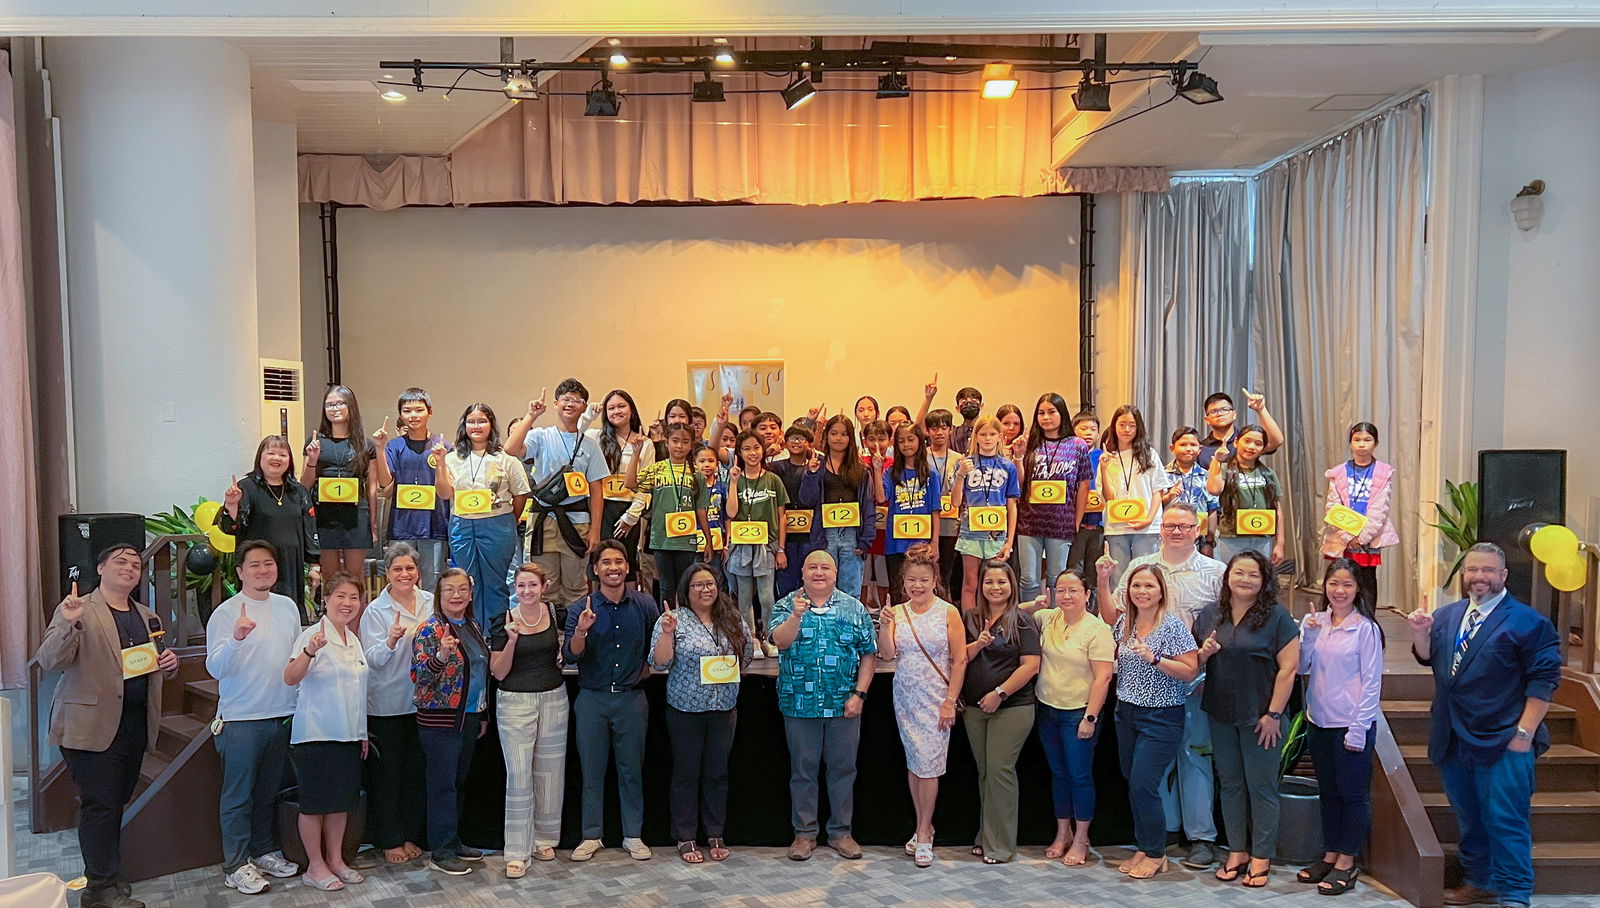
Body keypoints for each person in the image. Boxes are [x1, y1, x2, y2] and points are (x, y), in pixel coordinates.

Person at [1408, 543, 1561, 908]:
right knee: (1469, 817)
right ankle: (1479, 881)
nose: (1479, 577)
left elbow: (1543, 681)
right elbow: (1433, 661)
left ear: (1503, 575)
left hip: (1505, 739)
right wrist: (1419, 634)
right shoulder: (1447, 615)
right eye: (1472, 570)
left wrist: (1524, 734)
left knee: (1506, 820)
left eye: (1488, 571)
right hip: (1453, 737)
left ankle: (1514, 893)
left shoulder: (1529, 622)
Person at [38, 544, 180, 908]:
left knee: (115, 802)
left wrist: (169, 664)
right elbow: (50, 659)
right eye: (121, 562)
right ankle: (98, 890)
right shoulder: (79, 608)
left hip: (132, 725)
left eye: (136, 564)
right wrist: (68, 622)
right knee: (100, 805)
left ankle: (109, 876)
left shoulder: (148, 616)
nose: (130, 568)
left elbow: (149, 667)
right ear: (100, 568)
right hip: (88, 725)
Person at [1095, 501, 1225, 870]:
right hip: (1136, 698)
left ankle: (1200, 837)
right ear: (1160, 528)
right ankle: (1159, 837)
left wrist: (1202, 668)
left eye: (1184, 526)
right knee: (1145, 777)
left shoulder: (1215, 572)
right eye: (1170, 525)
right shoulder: (1140, 566)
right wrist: (1104, 581)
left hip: (1193, 681)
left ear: (1198, 529)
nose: (1177, 531)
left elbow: (1225, 626)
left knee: (1194, 758)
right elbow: (1113, 615)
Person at [1193, 551, 1299, 887]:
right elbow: (1195, 660)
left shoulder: (1278, 617)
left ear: (1264, 580)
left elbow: (1289, 669)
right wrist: (1203, 654)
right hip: (1220, 711)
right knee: (1231, 784)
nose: (1245, 580)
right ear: (1227, 577)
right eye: (1239, 573)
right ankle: (1236, 850)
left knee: (1262, 786)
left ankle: (1262, 855)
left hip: (1261, 717)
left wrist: (1274, 714)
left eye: (1254, 575)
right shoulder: (1211, 613)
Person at [204, 540, 302, 893]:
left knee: (267, 793)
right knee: (238, 796)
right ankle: (235, 864)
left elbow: (293, 658)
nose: (263, 570)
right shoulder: (227, 613)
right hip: (241, 720)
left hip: (281, 714)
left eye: (269, 563)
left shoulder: (288, 606)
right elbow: (215, 667)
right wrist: (236, 639)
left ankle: (263, 852)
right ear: (241, 572)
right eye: (255, 565)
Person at [769, 550, 878, 861]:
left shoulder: (853, 608)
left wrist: (859, 694)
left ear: (835, 573)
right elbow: (780, 641)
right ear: (802, 573)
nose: (819, 572)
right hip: (799, 705)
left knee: (843, 770)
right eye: (813, 567)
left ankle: (841, 833)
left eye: (825, 567)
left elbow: (869, 654)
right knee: (802, 772)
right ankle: (804, 834)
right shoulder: (785, 604)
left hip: (844, 705)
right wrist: (796, 616)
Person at [650, 565, 755, 864]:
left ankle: (715, 833)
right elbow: (659, 663)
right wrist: (668, 634)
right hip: (686, 709)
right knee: (686, 773)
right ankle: (685, 837)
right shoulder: (673, 620)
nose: (705, 589)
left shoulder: (732, 617)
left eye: (709, 583)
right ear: (687, 590)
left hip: (723, 708)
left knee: (717, 773)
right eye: (697, 585)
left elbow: (745, 657)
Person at [564, 540, 660, 862]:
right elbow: (571, 655)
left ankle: (633, 835)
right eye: (606, 562)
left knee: (631, 770)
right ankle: (592, 835)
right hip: (591, 699)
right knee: (591, 771)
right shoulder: (582, 608)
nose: (613, 567)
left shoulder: (646, 605)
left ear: (627, 567)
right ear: (596, 569)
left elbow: (655, 649)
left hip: (632, 700)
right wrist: (581, 631)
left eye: (618, 561)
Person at [1297, 558, 1384, 896]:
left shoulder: (1366, 628)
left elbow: (1371, 681)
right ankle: (1330, 853)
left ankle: (1347, 862)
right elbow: (1303, 666)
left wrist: (1360, 728)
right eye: (1334, 584)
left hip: (1351, 725)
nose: (1340, 591)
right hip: (1319, 721)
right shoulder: (1314, 620)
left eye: (1347, 585)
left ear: (1357, 588)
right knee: (1329, 793)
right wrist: (1308, 636)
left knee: (1352, 795)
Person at [875, 545, 966, 867]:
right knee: (916, 765)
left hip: (937, 698)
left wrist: (950, 701)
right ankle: (921, 825)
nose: (917, 586)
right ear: (904, 583)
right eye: (911, 580)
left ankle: (925, 832)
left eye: (923, 580)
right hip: (906, 696)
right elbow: (886, 655)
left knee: (929, 767)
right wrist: (885, 625)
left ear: (934, 581)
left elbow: (960, 658)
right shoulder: (898, 613)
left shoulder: (948, 612)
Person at [1111, 563, 1200, 880]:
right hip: (1126, 712)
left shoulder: (1173, 627)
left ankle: (1156, 852)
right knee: (1132, 780)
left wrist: (1155, 658)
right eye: (1136, 586)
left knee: (1143, 783)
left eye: (1149, 586)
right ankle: (1144, 845)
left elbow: (1190, 669)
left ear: (1161, 591)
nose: (1142, 592)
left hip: (1161, 716)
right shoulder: (1125, 622)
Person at [283, 572, 370, 892]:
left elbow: (359, 691)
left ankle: (336, 860)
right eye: (340, 597)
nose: (347, 603)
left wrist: (361, 733)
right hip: (316, 734)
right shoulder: (311, 635)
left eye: (353, 598)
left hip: (348, 735)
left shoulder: (354, 639)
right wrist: (309, 652)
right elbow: (290, 678)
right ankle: (315, 866)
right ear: (326, 599)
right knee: (315, 803)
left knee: (340, 803)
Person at [960, 560, 1041, 864]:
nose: (995, 587)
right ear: (981, 586)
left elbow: (1031, 666)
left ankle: (1002, 846)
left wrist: (999, 693)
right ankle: (986, 835)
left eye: (1002, 582)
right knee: (985, 773)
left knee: (999, 770)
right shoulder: (970, 617)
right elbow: (959, 657)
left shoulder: (1022, 621)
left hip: (1013, 707)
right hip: (974, 708)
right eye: (989, 582)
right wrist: (978, 645)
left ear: (1012, 586)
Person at [412, 568, 492, 875]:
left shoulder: (470, 624)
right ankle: (441, 853)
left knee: (458, 783)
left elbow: (478, 671)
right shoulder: (430, 630)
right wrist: (442, 655)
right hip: (439, 721)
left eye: (462, 589)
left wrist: (481, 712)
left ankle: (453, 839)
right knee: (442, 786)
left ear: (470, 594)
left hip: (469, 717)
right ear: (439, 595)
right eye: (449, 590)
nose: (456, 595)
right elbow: (420, 677)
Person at [492, 564, 570, 877]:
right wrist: (511, 640)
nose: (526, 591)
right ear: (515, 587)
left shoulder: (555, 613)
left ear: (544, 586)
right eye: (521, 586)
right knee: (520, 774)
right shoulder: (505, 620)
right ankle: (516, 851)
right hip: (514, 702)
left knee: (550, 772)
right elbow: (498, 672)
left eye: (532, 586)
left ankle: (545, 838)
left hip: (554, 698)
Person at [1032, 568, 1113, 866]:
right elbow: (1013, 610)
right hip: (1047, 709)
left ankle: (1081, 839)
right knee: (1058, 775)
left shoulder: (1097, 630)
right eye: (1060, 589)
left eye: (1073, 590)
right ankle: (1062, 832)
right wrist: (1035, 604)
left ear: (1087, 594)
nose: (1066, 595)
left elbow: (1103, 678)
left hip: (1078, 713)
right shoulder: (1048, 618)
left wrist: (1089, 718)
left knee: (1079, 777)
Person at [506, 380, 612, 608]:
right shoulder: (542, 436)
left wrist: (595, 530)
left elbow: (596, 490)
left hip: (577, 523)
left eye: (577, 400)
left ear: (584, 407)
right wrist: (531, 416)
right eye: (565, 399)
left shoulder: (590, 445)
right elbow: (510, 449)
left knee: (576, 585)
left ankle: (575, 637)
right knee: (545, 585)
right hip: (544, 521)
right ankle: (548, 636)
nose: (570, 404)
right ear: (555, 403)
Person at [360, 542, 431, 865]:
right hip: (386, 704)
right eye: (398, 569)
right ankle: (388, 839)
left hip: (423, 703)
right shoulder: (376, 610)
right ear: (387, 573)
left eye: (410, 568)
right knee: (388, 776)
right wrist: (391, 641)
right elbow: (371, 660)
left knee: (415, 774)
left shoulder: (430, 601)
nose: (405, 574)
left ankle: (409, 834)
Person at [434, 404, 530, 627]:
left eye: (482, 421)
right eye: (471, 421)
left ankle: (496, 637)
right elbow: (445, 493)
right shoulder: (451, 458)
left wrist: (508, 520)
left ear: (491, 425)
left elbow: (520, 495)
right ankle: (471, 634)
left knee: (496, 583)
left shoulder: (506, 459)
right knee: (467, 584)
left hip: (498, 525)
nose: (476, 426)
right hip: (462, 525)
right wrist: (439, 463)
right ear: (464, 425)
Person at [218, 436, 316, 614]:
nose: (276, 458)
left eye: (282, 454)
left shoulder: (298, 491)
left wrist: (315, 565)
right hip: (258, 566)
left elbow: (309, 528)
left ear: (290, 460)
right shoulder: (246, 487)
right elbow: (231, 528)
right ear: (260, 458)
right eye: (270, 453)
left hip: (290, 565)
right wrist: (231, 505)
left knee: (288, 613)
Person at [1014, 392, 1093, 602]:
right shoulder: (1030, 443)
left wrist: (1076, 521)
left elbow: (1083, 485)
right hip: (1030, 521)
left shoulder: (1077, 445)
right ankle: (1030, 624)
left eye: (1051, 412)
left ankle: (1055, 624)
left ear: (1062, 414)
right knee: (1029, 579)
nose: (1046, 417)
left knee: (1056, 579)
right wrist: (1019, 457)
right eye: (1041, 413)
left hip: (1060, 522)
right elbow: (1020, 484)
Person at [302, 384, 384, 578]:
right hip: (323, 516)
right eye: (329, 405)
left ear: (351, 407)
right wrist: (312, 460)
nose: (334, 409)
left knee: (354, 576)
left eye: (340, 403)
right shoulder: (315, 441)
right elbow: (304, 485)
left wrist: (372, 524)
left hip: (356, 515)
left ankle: (358, 610)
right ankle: (330, 609)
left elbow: (372, 487)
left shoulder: (366, 444)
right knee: (329, 574)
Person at [797, 415, 876, 600]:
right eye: (833, 433)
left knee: (851, 589)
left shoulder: (862, 469)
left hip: (852, 534)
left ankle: (849, 627)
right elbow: (806, 500)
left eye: (843, 434)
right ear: (826, 436)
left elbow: (868, 505)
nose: (838, 438)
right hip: (825, 534)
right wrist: (810, 474)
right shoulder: (817, 465)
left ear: (850, 438)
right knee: (823, 587)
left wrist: (866, 539)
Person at [1321, 422, 1399, 607]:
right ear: (1350, 443)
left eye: (1367, 440)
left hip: (1368, 539)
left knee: (1366, 586)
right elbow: (1333, 506)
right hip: (1342, 538)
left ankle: (1368, 627)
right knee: (1339, 579)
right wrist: (1348, 536)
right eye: (1357, 440)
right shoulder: (1339, 471)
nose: (1361, 444)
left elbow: (1380, 510)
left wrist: (1361, 537)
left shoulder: (1383, 472)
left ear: (1376, 443)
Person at [628, 424, 706, 603]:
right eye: (675, 441)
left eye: (685, 442)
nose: (679, 446)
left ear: (691, 445)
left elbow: (701, 510)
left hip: (686, 540)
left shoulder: (697, 474)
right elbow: (630, 483)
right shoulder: (657, 469)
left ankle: (686, 625)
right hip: (662, 539)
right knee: (666, 587)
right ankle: (667, 625)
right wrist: (635, 454)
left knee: (685, 586)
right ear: (666, 442)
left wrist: (707, 541)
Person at [726, 430, 789, 649]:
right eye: (746, 449)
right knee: (744, 597)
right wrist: (734, 482)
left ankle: (770, 637)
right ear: (739, 453)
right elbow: (731, 513)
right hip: (742, 546)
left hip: (767, 546)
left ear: (762, 450)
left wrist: (781, 549)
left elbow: (782, 516)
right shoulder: (734, 479)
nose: (752, 453)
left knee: (766, 596)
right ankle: (750, 637)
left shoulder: (773, 480)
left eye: (756, 447)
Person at [382, 388, 451, 588]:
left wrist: (441, 461)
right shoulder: (394, 446)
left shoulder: (442, 445)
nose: (413, 415)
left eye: (419, 410)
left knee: (433, 581)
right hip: (401, 527)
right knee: (400, 582)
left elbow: (448, 489)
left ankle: (433, 620)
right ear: (400, 415)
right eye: (407, 411)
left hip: (435, 526)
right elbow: (385, 483)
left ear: (430, 411)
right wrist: (379, 449)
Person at [952, 416, 1020, 612]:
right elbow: (956, 502)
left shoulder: (1007, 466)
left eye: (992, 434)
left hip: (996, 533)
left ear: (1000, 437)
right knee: (970, 584)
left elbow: (1012, 505)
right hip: (970, 531)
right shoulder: (966, 463)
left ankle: (996, 623)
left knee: (995, 583)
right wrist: (960, 475)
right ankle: (970, 628)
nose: (988, 438)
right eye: (983, 434)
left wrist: (1009, 541)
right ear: (976, 437)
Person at [1098, 405, 1169, 584]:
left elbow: (1158, 491)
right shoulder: (1108, 458)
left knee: (1146, 576)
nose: (1127, 429)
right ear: (1114, 426)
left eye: (1132, 425)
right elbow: (1110, 498)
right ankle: (1120, 613)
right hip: (1116, 527)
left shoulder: (1149, 454)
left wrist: (1149, 519)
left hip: (1146, 527)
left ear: (1139, 428)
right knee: (1118, 579)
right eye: (1122, 424)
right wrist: (1105, 469)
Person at [589, 389, 655, 574]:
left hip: (629, 509)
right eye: (611, 408)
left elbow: (646, 485)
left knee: (627, 565)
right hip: (601, 508)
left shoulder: (645, 443)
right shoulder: (596, 437)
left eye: (621, 406)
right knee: (600, 562)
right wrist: (588, 415)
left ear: (631, 410)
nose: (616, 411)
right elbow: (574, 435)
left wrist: (631, 517)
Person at [1204, 425, 1284, 566]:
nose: (1251, 446)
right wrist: (1217, 460)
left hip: (1262, 537)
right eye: (1247, 441)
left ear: (1264, 448)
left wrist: (1280, 543)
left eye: (1258, 443)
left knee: (1258, 578)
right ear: (1236, 442)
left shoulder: (1268, 474)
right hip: (1231, 538)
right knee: (1230, 577)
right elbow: (1214, 489)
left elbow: (1278, 510)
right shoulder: (1225, 468)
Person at [878, 423, 942, 590]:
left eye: (910, 439)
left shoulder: (931, 474)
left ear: (920, 441)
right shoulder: (891, 473)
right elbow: (881, 497)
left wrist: (934, 542)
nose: (906, 444)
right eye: (901, 441)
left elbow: (936, 510)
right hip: (895, 544)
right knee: (897, 588)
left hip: (922, 543)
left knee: (920, 588)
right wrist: (877, 471)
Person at [772, 423, 820, 602]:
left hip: (809, 535)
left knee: (808, 579)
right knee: (785, 582)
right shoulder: (776, 468)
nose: (796, 442)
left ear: (809, 444)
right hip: (785, 534)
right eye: (792, 438)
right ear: (785, 442)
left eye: (801, 439)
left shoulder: (815, 467)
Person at [1195, 389, 1285, 469]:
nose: (1220, 414)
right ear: (1207, 420)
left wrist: (1261, 410)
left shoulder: (1247, 440)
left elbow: (1276, 441)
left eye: (1225, 409)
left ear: (1234, 414)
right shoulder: (1201, 448)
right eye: (1214, 411)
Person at [1064, 411, 1105, 583]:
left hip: (1098, 525)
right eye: (1083, 428)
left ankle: (1093, 609)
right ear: (1073, 431)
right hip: (1075, 525)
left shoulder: (1103, 458)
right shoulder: (1067, 457)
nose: (1089, 433)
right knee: (1074, 570)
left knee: (1094, 572)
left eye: (1093, 429)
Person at [1163, 426, 1217, 555]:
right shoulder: (1162, 475)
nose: (1188, 449)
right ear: (1172, 448)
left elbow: (1213, 508)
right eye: (1182, 444)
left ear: (1200, 449)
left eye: (1193, 445)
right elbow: (1156, 505)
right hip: (1171, 536)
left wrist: (1210, 541)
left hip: (1200, 538)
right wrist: (1168, 497)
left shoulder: (1207, 476)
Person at [860, 419, 893, 607]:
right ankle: (862, 611)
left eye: (882, 439)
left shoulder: (894, 464)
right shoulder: (859, 463)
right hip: (865, 525)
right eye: (871, 439)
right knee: (863, 571)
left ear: (890, 440)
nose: (877, 445)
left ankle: (884, 610)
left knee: (883, 571)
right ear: (865, 441)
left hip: (887, 526)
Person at [951, 386, 983, 455]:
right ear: (957, 408)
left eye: (973, 401)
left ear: (981, 406)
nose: (969, 403)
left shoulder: (988, 432)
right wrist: (928, 398)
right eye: (964, 402)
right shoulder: (953, 433)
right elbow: (922, 429)